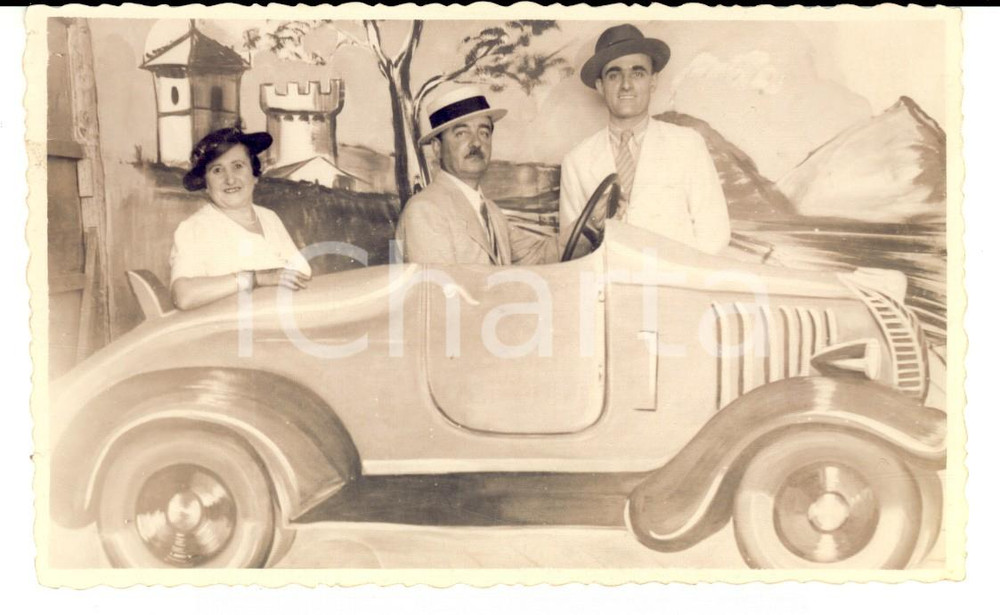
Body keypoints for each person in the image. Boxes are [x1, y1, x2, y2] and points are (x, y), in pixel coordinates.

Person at [559, 24, 731, 256]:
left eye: (637, 73)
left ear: (653, 81)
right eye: (614, 74)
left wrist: (677, 280)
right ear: (600, 86)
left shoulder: (688, 145)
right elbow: (571, 248)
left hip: (676, 285)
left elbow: (715, 234)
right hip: (610, 287)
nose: (626, 84)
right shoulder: (576, 161)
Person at [170, 126, 311, 310]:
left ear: (254, 175)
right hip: (234, 333)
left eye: (238, 166)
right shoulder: (195, 227)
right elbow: (183, 296)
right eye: (217, 170)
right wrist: (256, 278)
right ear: (205, 183)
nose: (230, 179)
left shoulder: (269, 218)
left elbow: (302, 274)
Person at [395, 85, 513, 265]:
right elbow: (439, 290)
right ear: (437, 148)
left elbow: (542, 253)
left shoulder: (493, 212)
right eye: (462, 133)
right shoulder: (424, 210)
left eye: (484, 132)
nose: (476, 143)